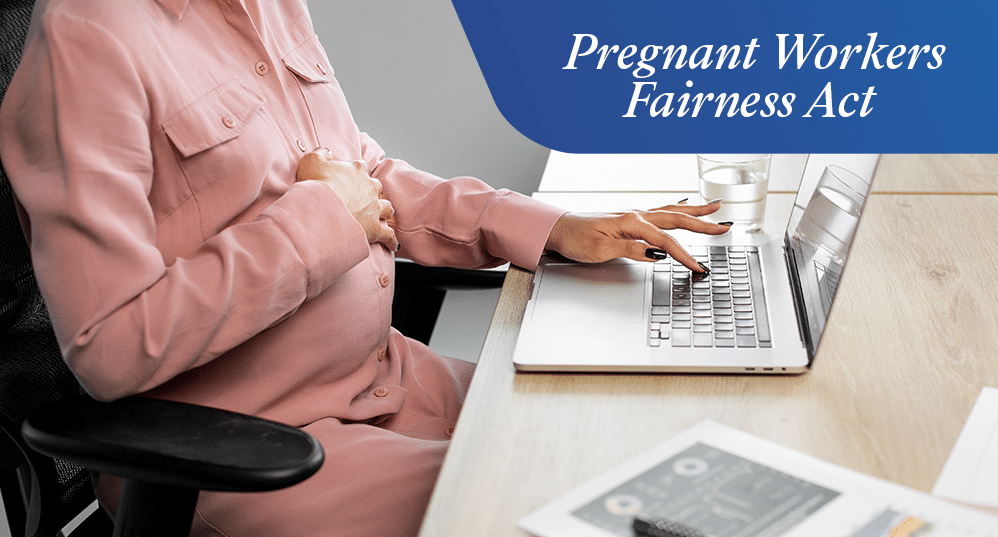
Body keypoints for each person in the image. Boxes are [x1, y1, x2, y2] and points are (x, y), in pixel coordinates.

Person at [0, 0, 729, 535]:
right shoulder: (87, 38)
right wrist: (318, 219)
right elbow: (110, 344)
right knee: (581, 510)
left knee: (640, 447)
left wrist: (550, 227)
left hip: (388, 381)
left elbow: (363, 170)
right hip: (248, 446)